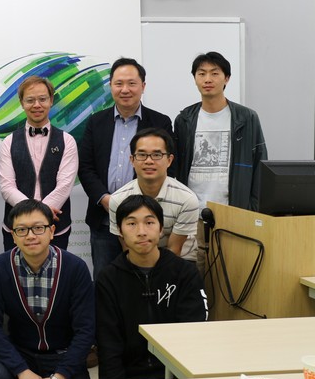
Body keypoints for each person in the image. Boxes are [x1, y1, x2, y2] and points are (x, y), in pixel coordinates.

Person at [0, 200, 94, 379]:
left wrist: (57, 378)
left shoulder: (75, 268)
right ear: (13, 235)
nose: (30, 235)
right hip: (21, 351)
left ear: (52, 231)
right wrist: (22, 371)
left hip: (62, 353)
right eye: (21, 230)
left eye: (38, 228)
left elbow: (86, 330)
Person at [77, 57, 174, 279]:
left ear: (143, 86)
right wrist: (105, 199)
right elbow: (85, 166)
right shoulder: (96, 122)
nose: (125, 89)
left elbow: (166, 168)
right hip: (104, 217)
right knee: (105, 279)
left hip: (144, 219)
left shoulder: (161, 122)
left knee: (144, 279)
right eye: (119, 83)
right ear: (110, 86)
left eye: (132, 83)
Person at [174, 51, 268, 275]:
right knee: (196, 279)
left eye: (215, 73)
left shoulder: (247, 118)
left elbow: (260, 167)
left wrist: (252, 209)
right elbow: (176, 167)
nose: (208, 79)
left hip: (233, 213)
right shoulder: (184, 119)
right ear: (195, 78)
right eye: (202, 73)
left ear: (226, 78)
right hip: (193, 215)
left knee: (232, 279)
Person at [96, 194, 207, 379]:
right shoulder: (109, 278)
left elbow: (193, 334)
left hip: (176, 374)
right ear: (119, 231)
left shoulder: (184, 273)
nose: (141, 231)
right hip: (127, 377)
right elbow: (108, 344)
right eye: (131, 224)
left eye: (149, 223)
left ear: (161, 229)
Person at [0, 76, 78, 251]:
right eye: (30, 100)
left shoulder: (67, 140)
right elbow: (6, 186)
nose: (37, 105)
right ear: (22, 103)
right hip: (16, 228)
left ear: (51, 100)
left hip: (56, 228)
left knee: (56, 276)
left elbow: (65, 184)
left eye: (42, 99)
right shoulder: (8, 142)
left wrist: (43, 214)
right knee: (16, 276)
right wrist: (33, 214)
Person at [107, 128, 199, 262]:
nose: (149, 161)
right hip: (137, 261)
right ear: (132, 160)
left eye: (157, 155)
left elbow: (175, 250)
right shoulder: (118, 200)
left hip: (180, 261)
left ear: (169, 160)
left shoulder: (186, 199)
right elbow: (128, 247)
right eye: (142, 155)